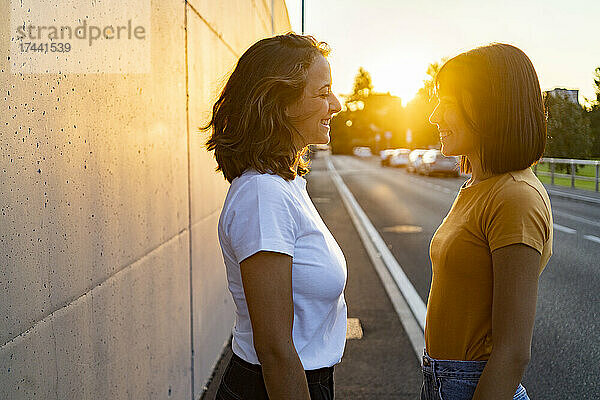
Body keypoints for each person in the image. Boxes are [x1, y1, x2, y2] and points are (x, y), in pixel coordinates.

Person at [203, 33, 345, 400]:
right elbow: (276, 351)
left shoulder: (285, 184)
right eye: (322, 91)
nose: (337, 104)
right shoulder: (263, 195)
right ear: (279, 103)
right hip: (273, 387)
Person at [423, 43, 553, 400]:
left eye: (447, 104)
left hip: (473, 385)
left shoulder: (515, 197)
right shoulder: (479, 186)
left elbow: (512, 352)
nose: (434, 116)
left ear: (488, 108)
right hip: (443, 378)